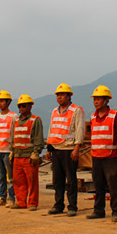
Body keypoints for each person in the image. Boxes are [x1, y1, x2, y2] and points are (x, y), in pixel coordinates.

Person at [86, 85, 117, 222]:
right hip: (96, 156)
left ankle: (116, 212)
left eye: (98, 99)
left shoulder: (116, 116)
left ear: (106, 100)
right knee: (98, 186)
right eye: (95, 99)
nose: (96, 102)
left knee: (113, 185)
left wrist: (116, 150)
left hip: (110, 157)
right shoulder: (93, 117)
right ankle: (98, 210)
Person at [46, 83, 85, 217]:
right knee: (57, 180)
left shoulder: (76, 110)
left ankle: (72, 206)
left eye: (62, 95)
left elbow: (80, 129)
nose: (60, 97)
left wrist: (77, 148)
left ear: (69, 96)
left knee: (71, 180)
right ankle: (58, 205)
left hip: (69, 149)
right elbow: (52, 129)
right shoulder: (54, 111)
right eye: (58, 95)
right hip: (56, 149)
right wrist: (48, 148)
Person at [9, 94, 44, 211]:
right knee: (18, 181)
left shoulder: (35, 120)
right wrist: (11, 151)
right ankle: (21, 202)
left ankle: (33, 203)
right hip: (17, 156)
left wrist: (36, 153)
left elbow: (38, 138)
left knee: (32, 181)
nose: (21, 108)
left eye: (24, 106)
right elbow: (13, 137)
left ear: (30, 106)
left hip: (29, 157)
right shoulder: (16, 121)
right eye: (20, 106)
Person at [0, 90, 17, 207]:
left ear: (8, 102)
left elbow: (15, 134)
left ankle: (11, 198)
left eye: (2, 101)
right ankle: (2, 197)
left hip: (8, 151)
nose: (0, 103)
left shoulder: (13, 116)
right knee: (0, 177)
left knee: (11, 177)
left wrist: (13, 150)